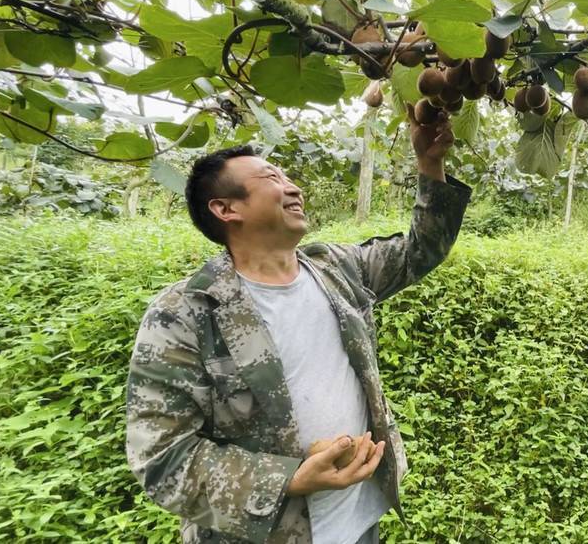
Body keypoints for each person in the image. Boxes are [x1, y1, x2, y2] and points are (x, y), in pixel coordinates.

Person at [125, 113, 468, 543]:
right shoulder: (185, 313)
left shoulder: (336, 269)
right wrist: (290, 478)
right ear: (226, 208)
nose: (293, 187)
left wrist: (430, 164)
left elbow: (420, 251)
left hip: (359, 523)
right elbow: (162, 458)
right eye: (272, 177)